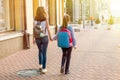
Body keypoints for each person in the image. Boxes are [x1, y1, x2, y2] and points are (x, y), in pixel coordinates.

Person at [33, 6, 52, 74]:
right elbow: (48, 29)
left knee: (40, 51)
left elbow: (34, 30)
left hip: (37, 38)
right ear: (43, 11)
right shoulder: (45, 19)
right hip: (44, 37)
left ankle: (40, 65)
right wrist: (50, 37)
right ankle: (44, 68)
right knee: (44, 52)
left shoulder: (34, 20)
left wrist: (33, 39)